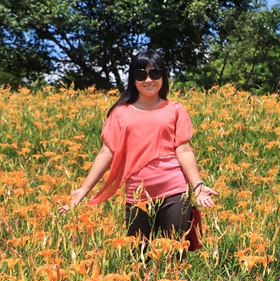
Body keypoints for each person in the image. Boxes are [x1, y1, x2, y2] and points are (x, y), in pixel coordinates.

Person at [59, 50, 216, 249]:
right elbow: (107, 152)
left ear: (163, 77)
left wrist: (198, 186)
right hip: (137, 194)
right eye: (141, 75)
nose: (148, 80)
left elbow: (184, 150)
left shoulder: (175, 109)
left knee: (175, 253)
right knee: (139, 255)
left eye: (155, 74)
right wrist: (84, 189)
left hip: (174, 190)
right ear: (133, 79)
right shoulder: (120, 113)